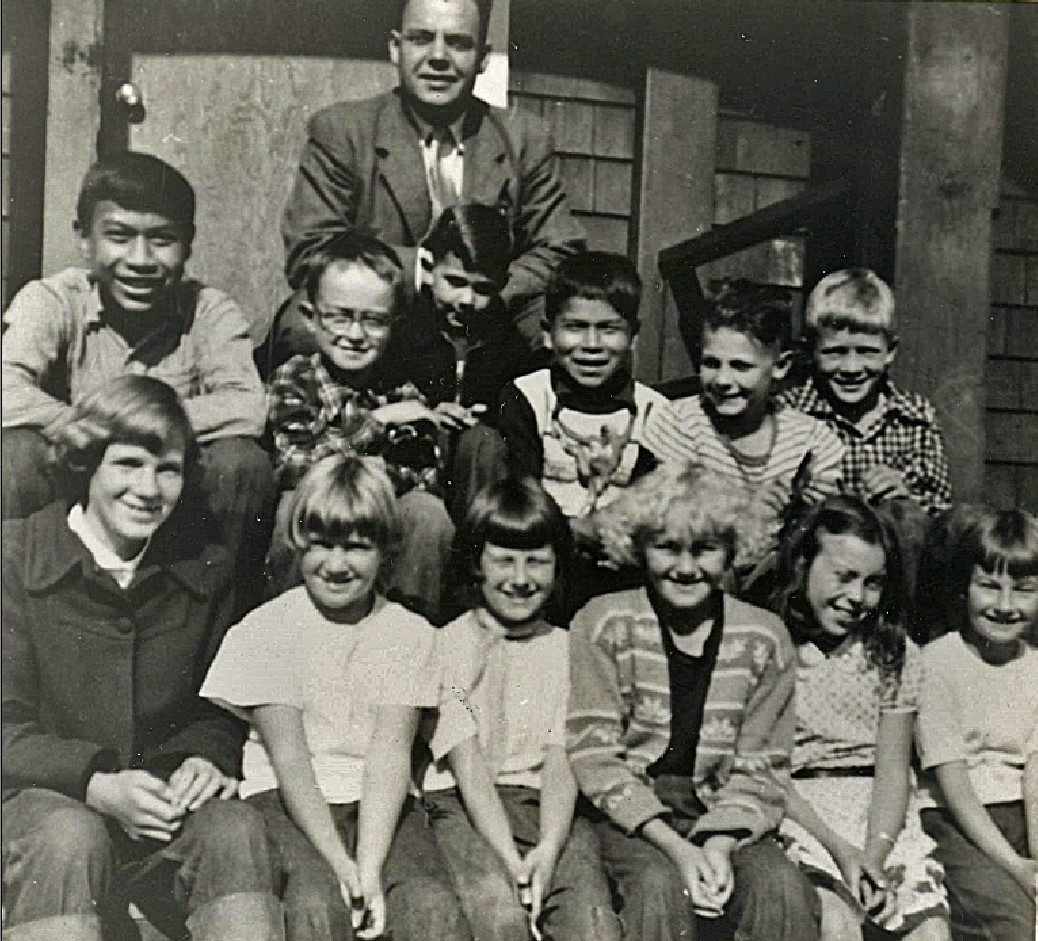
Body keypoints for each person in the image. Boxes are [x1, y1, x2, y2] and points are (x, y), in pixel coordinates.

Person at [1, 376, 282, 941]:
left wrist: (205, 756)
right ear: (86, 465)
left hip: (161, 813)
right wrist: (94, 783)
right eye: (128, 464)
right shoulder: (14, 558)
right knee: (67, 838)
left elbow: (218, 703)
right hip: (40, 805)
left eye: (168, 469)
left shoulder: (204, 565)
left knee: (234, 830)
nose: (148, 488)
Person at [201, 454, 478, 941]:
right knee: (315, 903)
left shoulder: (408, 633)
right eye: (321, 545)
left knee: (427, 905)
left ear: (386, 550)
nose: (335, 564)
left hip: (381, 803)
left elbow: (390, 756)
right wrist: (340, 864)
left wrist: (367, 869)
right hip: (287, 800)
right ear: (296, 542)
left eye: (356, 547)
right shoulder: (268, 629)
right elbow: (291, 763)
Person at [1, 150, 275, 608]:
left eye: (162, 240)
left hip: (165, 500)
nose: (140, 259)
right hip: (75, 492)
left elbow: (246, 405)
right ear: (85, 240)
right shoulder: (51, 300)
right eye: (119, 237)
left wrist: (125, 432)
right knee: (14, 454)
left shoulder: (209, 310)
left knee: (242, 465)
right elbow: (5, 390)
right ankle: (17, 612)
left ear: (188, 245)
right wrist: (92, 434)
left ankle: (222, 617)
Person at [567, 462, 821, 941]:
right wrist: (678, 849)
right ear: (640, 548)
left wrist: (720, 845)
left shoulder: (764, 637)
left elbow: (763, 767)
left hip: (726, 806)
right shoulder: (603, 623)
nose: (686, 569)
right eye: (667, 547)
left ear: (731, 552)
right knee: (655, 886)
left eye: (705, 550)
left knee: (780, 887)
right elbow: (595, 756)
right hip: (629, 815)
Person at [272, 0, 584, 368]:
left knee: (570, 337)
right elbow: (311, 251)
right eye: (421, 39)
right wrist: (423, 274)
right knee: (299, 326)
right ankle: (331, 424)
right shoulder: (343, 132)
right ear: (395, 47)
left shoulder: (523, 137)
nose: (438, 57)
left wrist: (482, 287)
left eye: (457, 43)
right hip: (384, 312)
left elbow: (560, 247)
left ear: (483, 58)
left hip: (485, 313)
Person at [421, 476, 622, 941]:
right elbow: (467, 766)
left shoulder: (572, 651)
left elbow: (560, 759)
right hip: (459, 806)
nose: (520, 578)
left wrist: (549, 847)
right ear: (475, 562)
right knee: (498, 915)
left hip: (548, 806)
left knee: (591, 922)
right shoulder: (444, 646)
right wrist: (513, 863)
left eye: (537, 562)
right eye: (504, 560)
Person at [265, 231, 483, 619]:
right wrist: (376, 425)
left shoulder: (402, 388)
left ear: (393, 324)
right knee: (288, 510)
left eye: (374, 321)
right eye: (340, 317)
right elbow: (295, 464)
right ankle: (289, 628)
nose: (355, 335)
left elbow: (423, 474)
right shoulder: (296, 379)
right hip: (319, 515)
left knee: (427, 514)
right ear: (311, 319)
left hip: (376, 525)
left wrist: (372, 473)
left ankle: (406, 636)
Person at [771, 496, 949, 941]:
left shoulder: (894, 653)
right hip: (800, 813)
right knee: (835, 922)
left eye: (872, 583)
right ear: (803, 565)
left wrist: (874, 853)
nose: (856, 597)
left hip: (879, 815)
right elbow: (769, 770)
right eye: (843, 577)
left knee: (931, 929)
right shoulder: (772, 647)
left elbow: (893, 769)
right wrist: (840, 851)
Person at [496, 250, 686, 612]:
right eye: (576, 327)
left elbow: (651, 501)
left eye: (609, 329)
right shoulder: (526, 397)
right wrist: (572, 531)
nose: (592, 345)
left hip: (620, 565)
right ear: (548, 334)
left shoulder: (654, 412)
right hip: (542, 559)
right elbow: (522, 491)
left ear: (633, 336)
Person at [642, 279, 845, 571]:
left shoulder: (812, 440)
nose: (723, 381)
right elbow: (668, 521)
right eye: (711, 363)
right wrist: (747, 512)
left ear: (781, 366)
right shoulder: (679, 424)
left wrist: (816, 509)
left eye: (740, 366)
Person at [915, 507, 1038, 941]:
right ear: (964, 589)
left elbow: (1036, 777)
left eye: (1023, 591)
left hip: (1022, 817)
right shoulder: (935, 663)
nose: (1005, 606)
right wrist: (1017, 868)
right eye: (989, 586)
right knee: (1011, 924)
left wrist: (1036, 864)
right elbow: (954, 784)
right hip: (956, 822)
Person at [777, 268, 952, 516]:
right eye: (835, 352)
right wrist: (798, 497)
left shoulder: (915, 418)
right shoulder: (788, 414)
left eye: (866, 351)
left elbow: (941, 514)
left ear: (890, 351)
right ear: (811, 352)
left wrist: (906, 498)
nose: (851, 368)